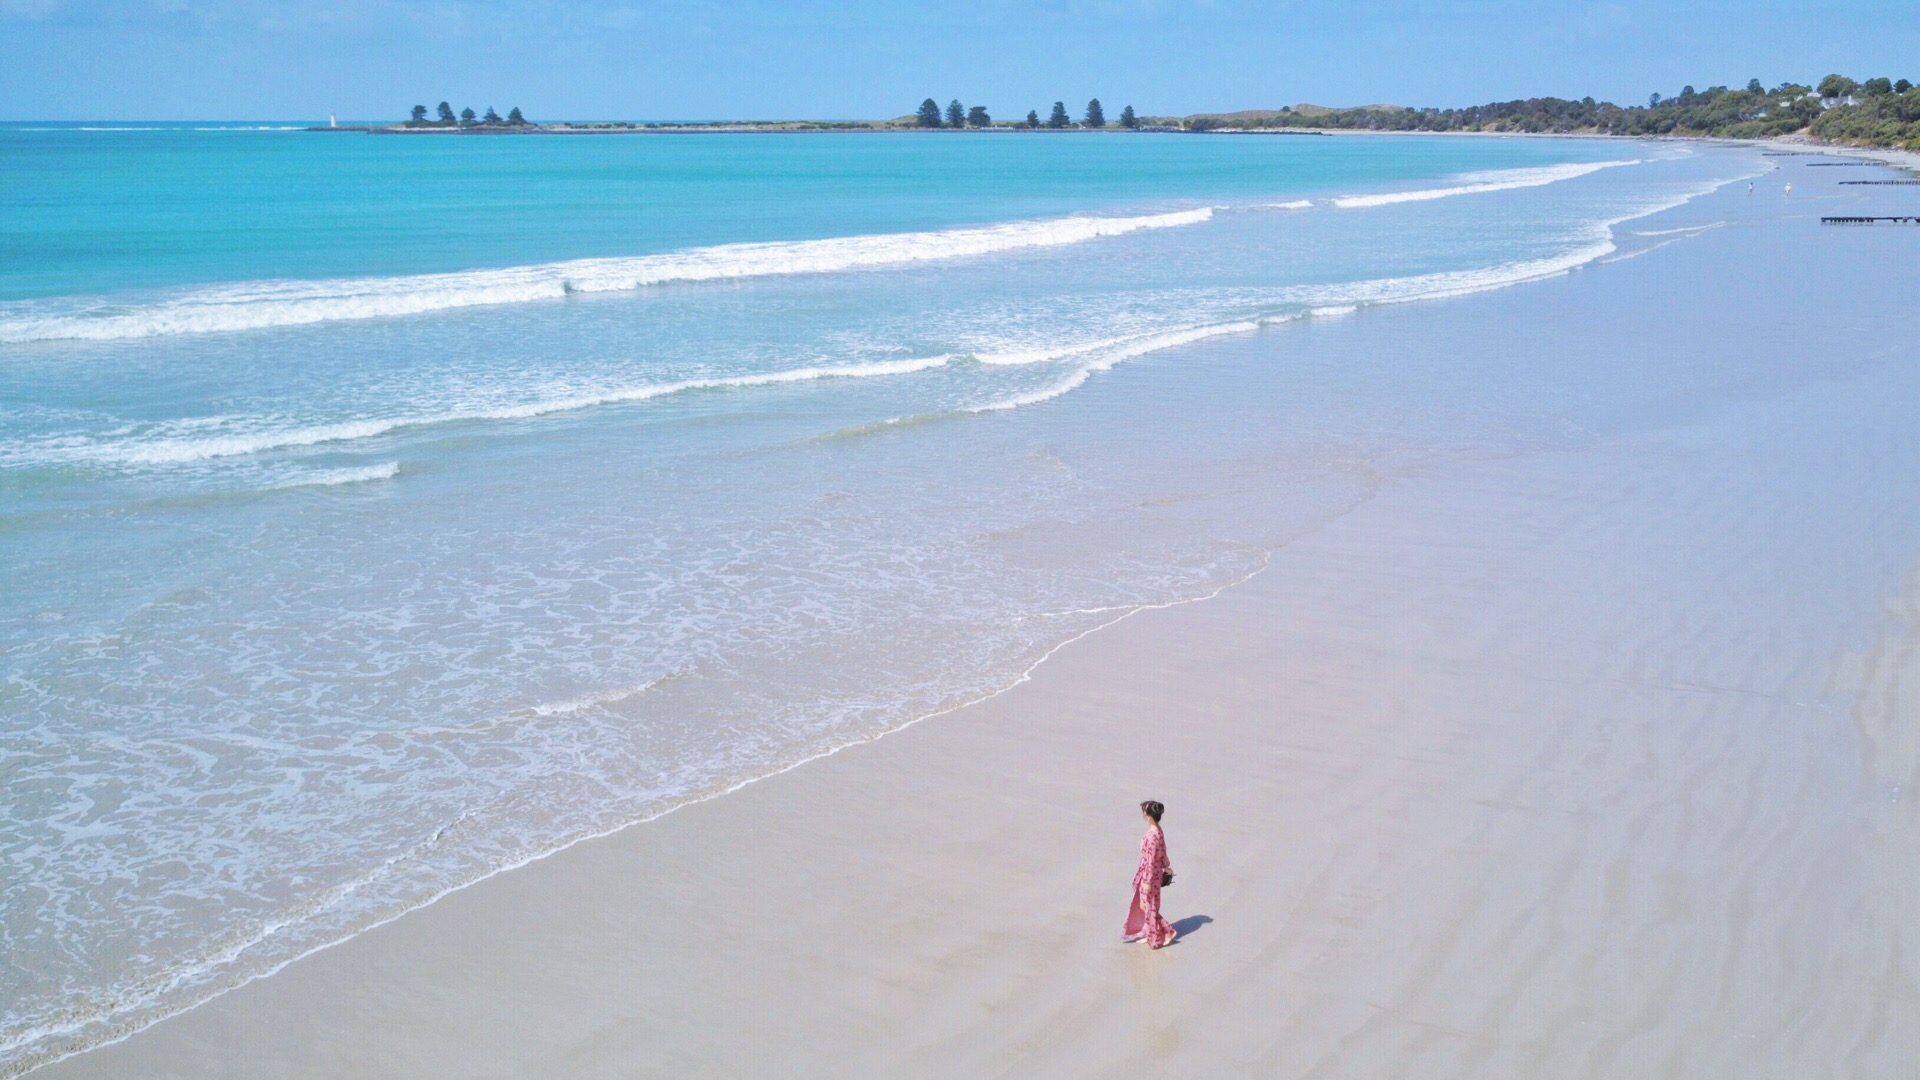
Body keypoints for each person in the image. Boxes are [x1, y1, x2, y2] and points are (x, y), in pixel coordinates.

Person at [1122, 800, 1177, 948]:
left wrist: (1146, 882)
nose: (1143, 815)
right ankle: (1149, 932)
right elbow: (1163, 852)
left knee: (1148, 905)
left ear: (1148, 816)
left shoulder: (1153, 835)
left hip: (1150, 874)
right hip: (1155, 872)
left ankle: (1165, 931)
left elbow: (1152, 860)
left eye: (1145, 812)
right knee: (1148, 904)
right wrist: (1166, 867)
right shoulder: (1158, 830)